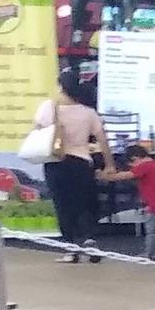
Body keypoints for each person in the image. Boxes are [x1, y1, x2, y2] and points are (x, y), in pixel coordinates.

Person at [34, 85, 113, 262]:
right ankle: (89, 239)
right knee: (84, 203)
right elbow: (103, 140)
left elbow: (37, 131)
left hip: (55, 162)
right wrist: (109, 164)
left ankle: (70, 249)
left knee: (63, 206)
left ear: (62, 88)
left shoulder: (48, 107)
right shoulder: (88, 113)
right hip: (82, 163)